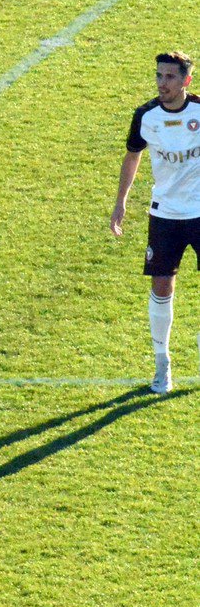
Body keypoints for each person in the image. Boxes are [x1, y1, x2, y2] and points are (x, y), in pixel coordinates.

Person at [112, 50, 200, 394]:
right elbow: (132, 156)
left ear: (186, 80)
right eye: (159, 76)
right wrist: (120, 202)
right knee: (162, 287)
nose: (162, 83)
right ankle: (162, 364)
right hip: (164, 215)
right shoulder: (146, 116)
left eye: (170, 77)